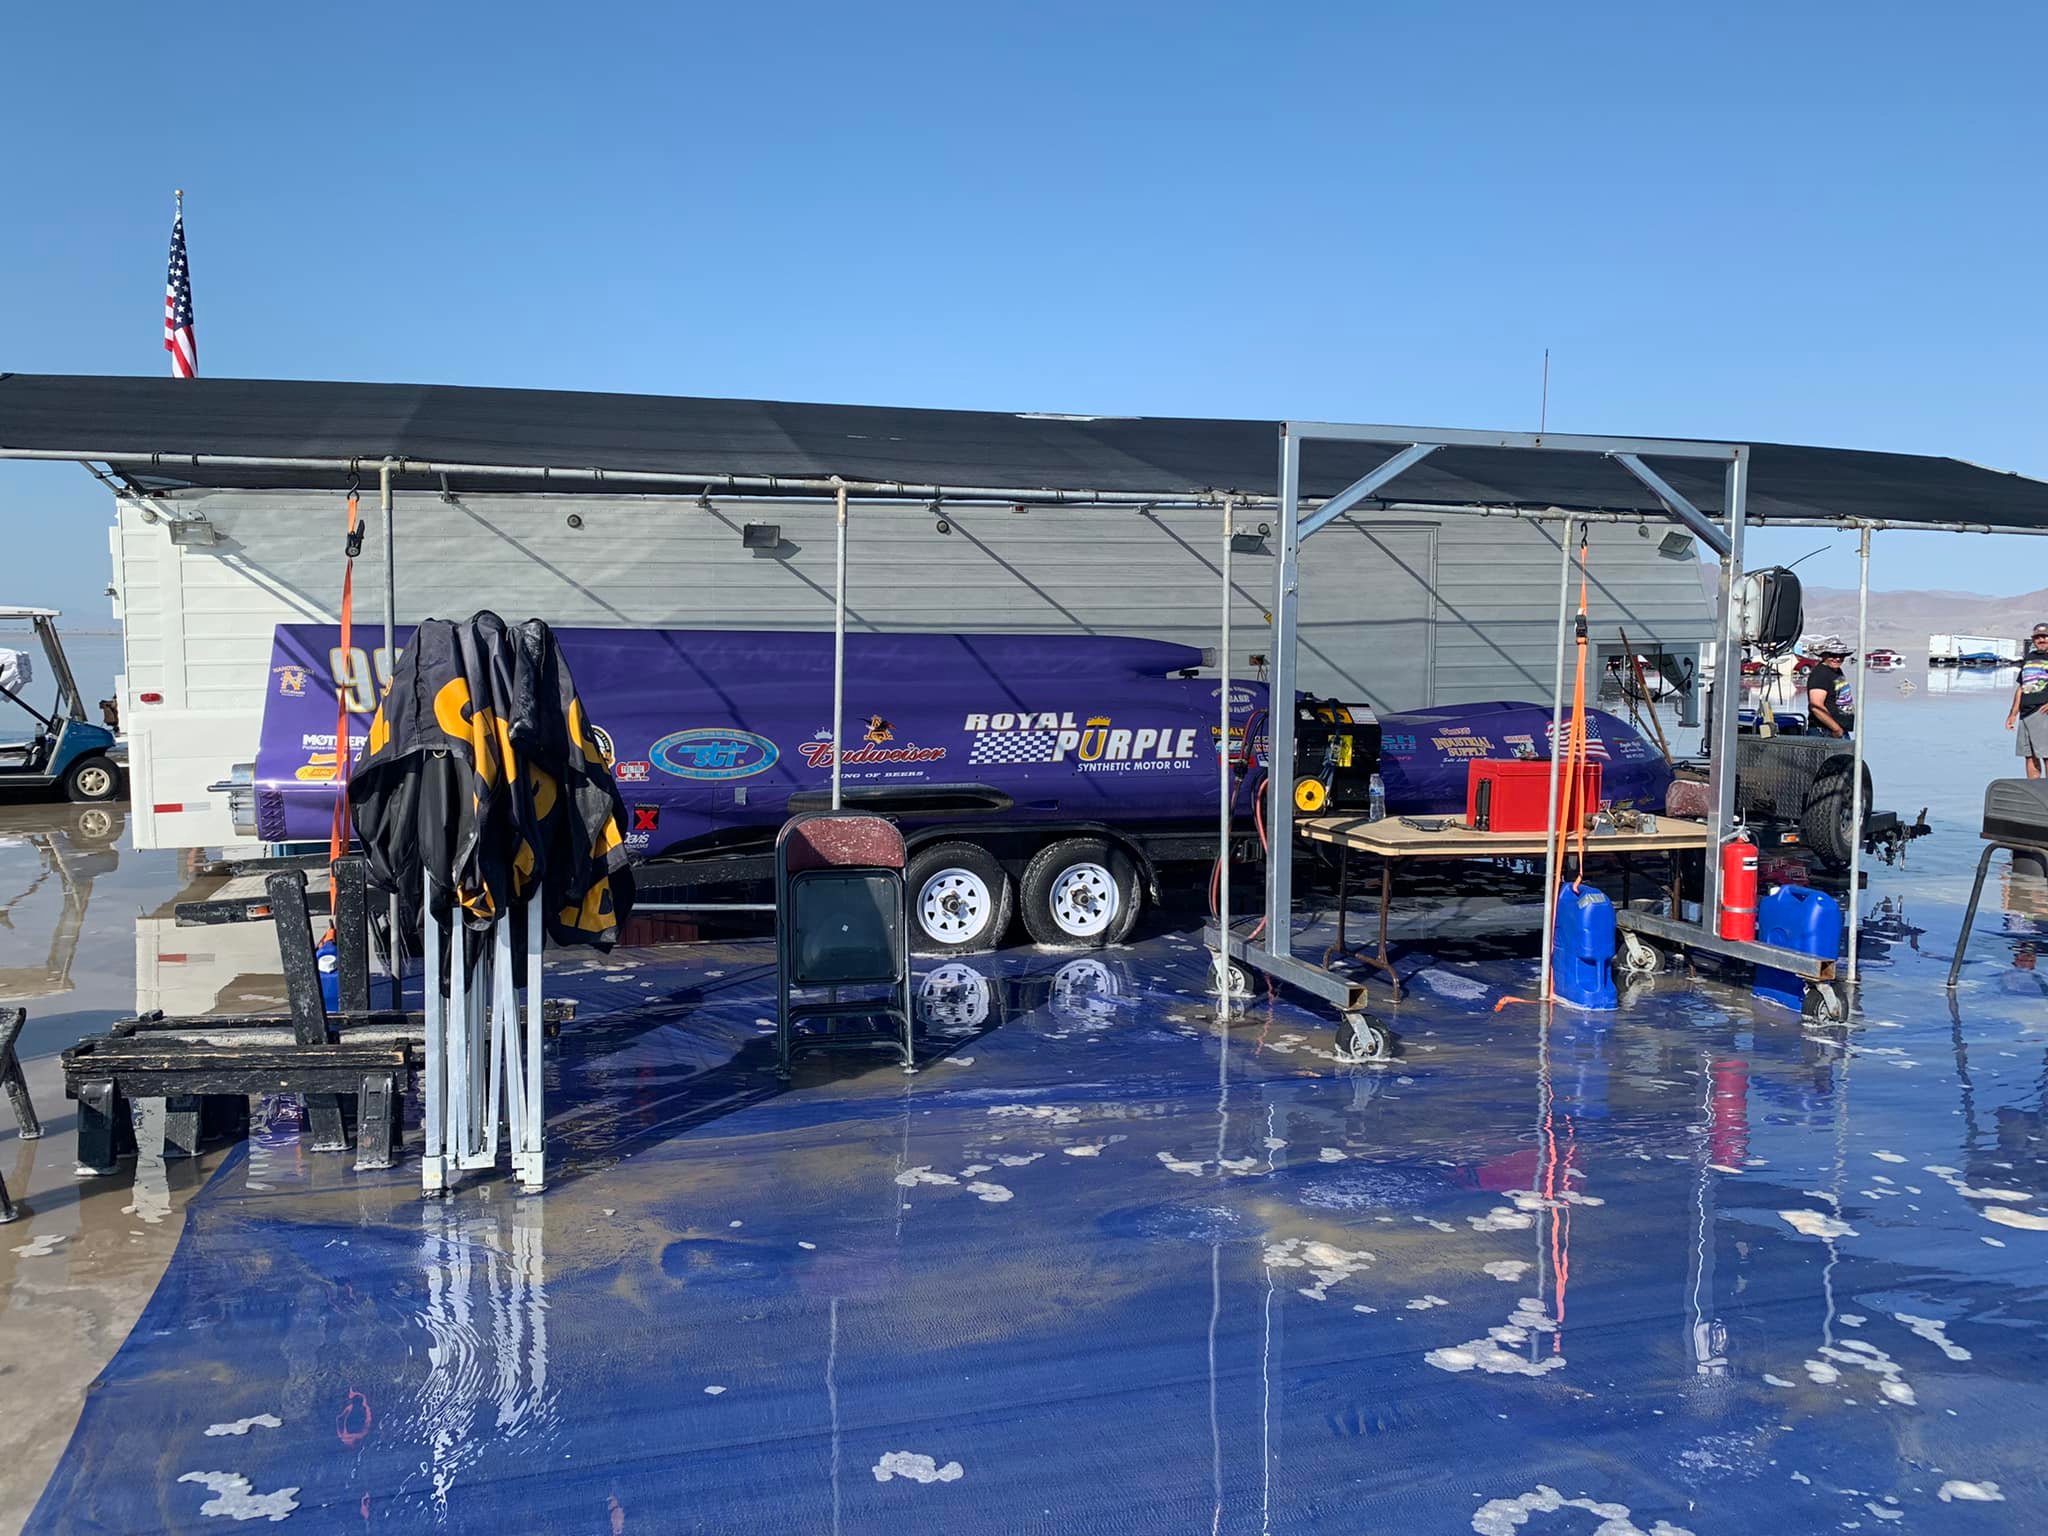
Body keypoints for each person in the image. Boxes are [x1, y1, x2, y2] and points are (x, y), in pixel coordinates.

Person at [2008, 623, 2048, 779]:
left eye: (2045, 636)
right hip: (2025, 714)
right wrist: (2013, 713)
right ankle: (2035, 793)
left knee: (2046, 754)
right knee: (2029, 756)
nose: (2041, 640)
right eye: (2038, 637)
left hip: (2043, 713)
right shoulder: (2029, 658)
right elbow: (2021, 687)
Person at [1805, 637, 1856, 737]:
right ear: (1824, 655)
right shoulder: (1820, 674)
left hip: (1838, 730)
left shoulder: (1836, 671)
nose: (1837, 658)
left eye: (1841, 655)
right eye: (1833, 655)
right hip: (1825, 732)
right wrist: (1836, 729)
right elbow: (1816, 706)